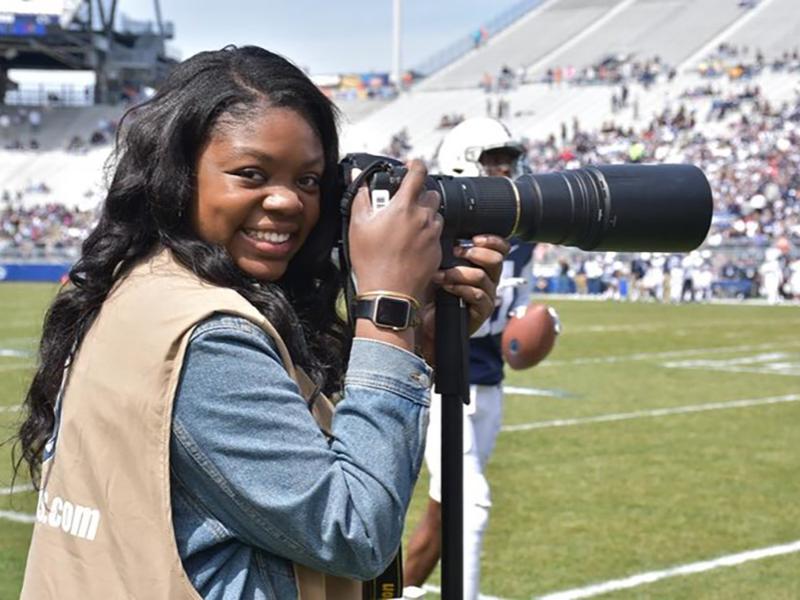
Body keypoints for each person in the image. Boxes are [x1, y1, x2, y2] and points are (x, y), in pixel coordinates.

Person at [14, 46, 509, 599]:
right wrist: (389, 307)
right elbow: (353, 532)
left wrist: (413, 348)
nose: (286, 202)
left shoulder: (146, 287)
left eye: (310, 181)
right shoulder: (208, 337)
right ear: (178, 177)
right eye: (251, 174)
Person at [405, 117, 554, 599]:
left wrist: (533, 329)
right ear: (463, 164)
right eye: (494, 162)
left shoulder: (522, 232)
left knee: (444, 516)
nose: (506, 172)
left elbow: (513, 310)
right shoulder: (434, 228)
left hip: (490, 382)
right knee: (471, 506)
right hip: (442, 381)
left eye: (510, 162)